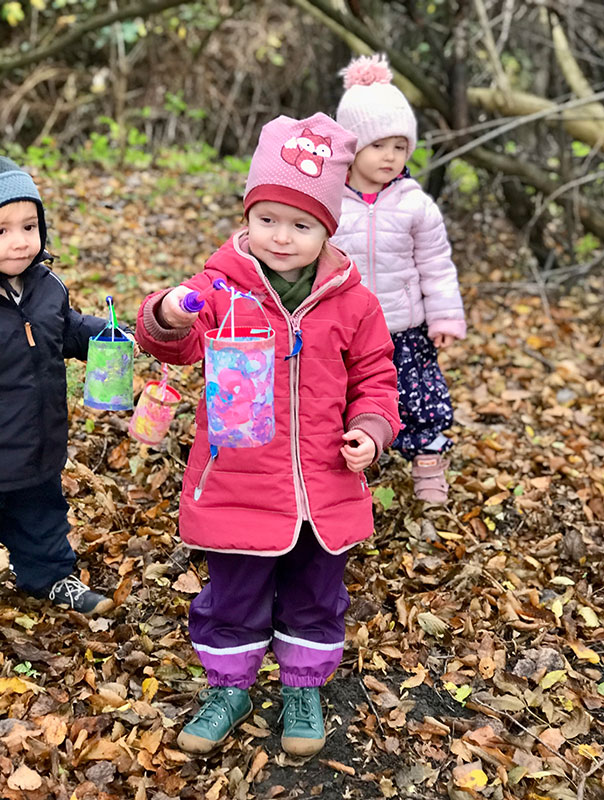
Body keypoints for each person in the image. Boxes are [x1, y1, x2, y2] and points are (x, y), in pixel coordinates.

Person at [135, 112, 399, 757]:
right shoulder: (221, 289)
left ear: (327, 230)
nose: (281, 237)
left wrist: (370, 429)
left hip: (325, 485)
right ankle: (228, 685)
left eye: (302, 224)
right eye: (267, 220)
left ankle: (303, 684)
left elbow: (376, 376)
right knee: (233, 592)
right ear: (247, 217)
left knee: (316, 593)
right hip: (237, 480)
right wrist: (168, 312)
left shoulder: (354, 304)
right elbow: (173, 339)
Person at [331, 55, 466, 504]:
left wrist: (444, 317)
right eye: (378, 146)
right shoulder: (331, 204)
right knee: (351, 398)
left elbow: (435, 263)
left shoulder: (415, 204)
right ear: (352, 148)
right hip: (346, 328)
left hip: (403, 327)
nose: (390, 156)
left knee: (418, 399)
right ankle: (357, 465)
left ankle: (428, 463)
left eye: (399, 147)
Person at [0, 156, 115, 615]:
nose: (20, 242)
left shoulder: (47, 286)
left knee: (42, 517)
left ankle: (50, 576)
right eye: (2, 230)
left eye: (30, 227)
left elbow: (63, 328)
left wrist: (105, 337)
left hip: (37, 447)